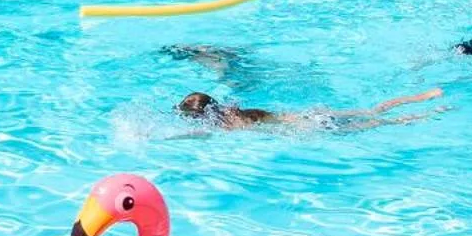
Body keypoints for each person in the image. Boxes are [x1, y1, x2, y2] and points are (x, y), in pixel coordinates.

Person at [177, 88, 443, 133]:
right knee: (373, 111)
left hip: (314, 127)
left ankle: (428, 113)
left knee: (379, 123)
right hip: (312, 115)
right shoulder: (238, 112)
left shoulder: (229, 125)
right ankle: (422, 97)